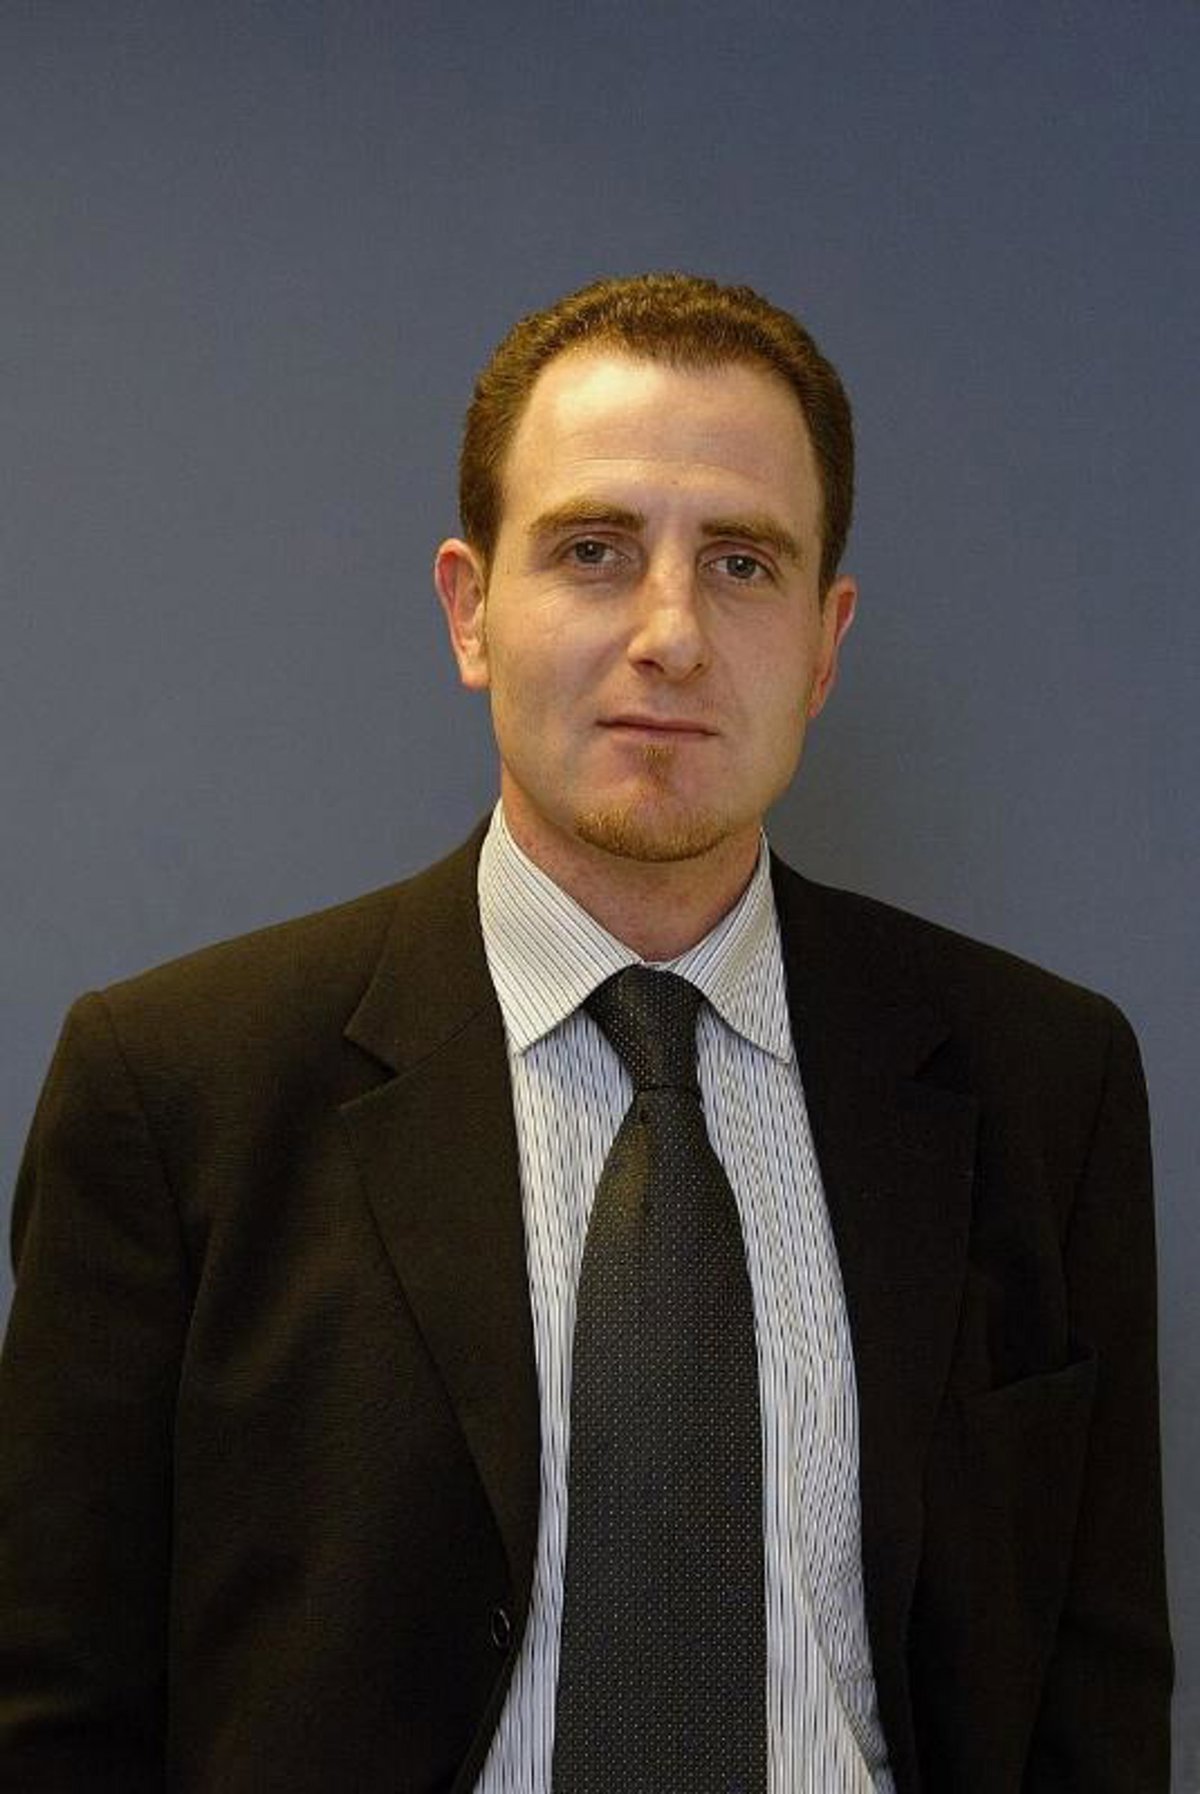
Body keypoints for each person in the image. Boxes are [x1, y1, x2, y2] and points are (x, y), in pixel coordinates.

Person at [0, 274, 1172, 1792]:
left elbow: (1096, 1698)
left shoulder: (1043, 1084)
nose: (671, 633)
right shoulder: (178, 1093)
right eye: (593, 550)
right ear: (470, 609)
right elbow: (56, 1714)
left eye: (742, 562)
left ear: (825, 644)